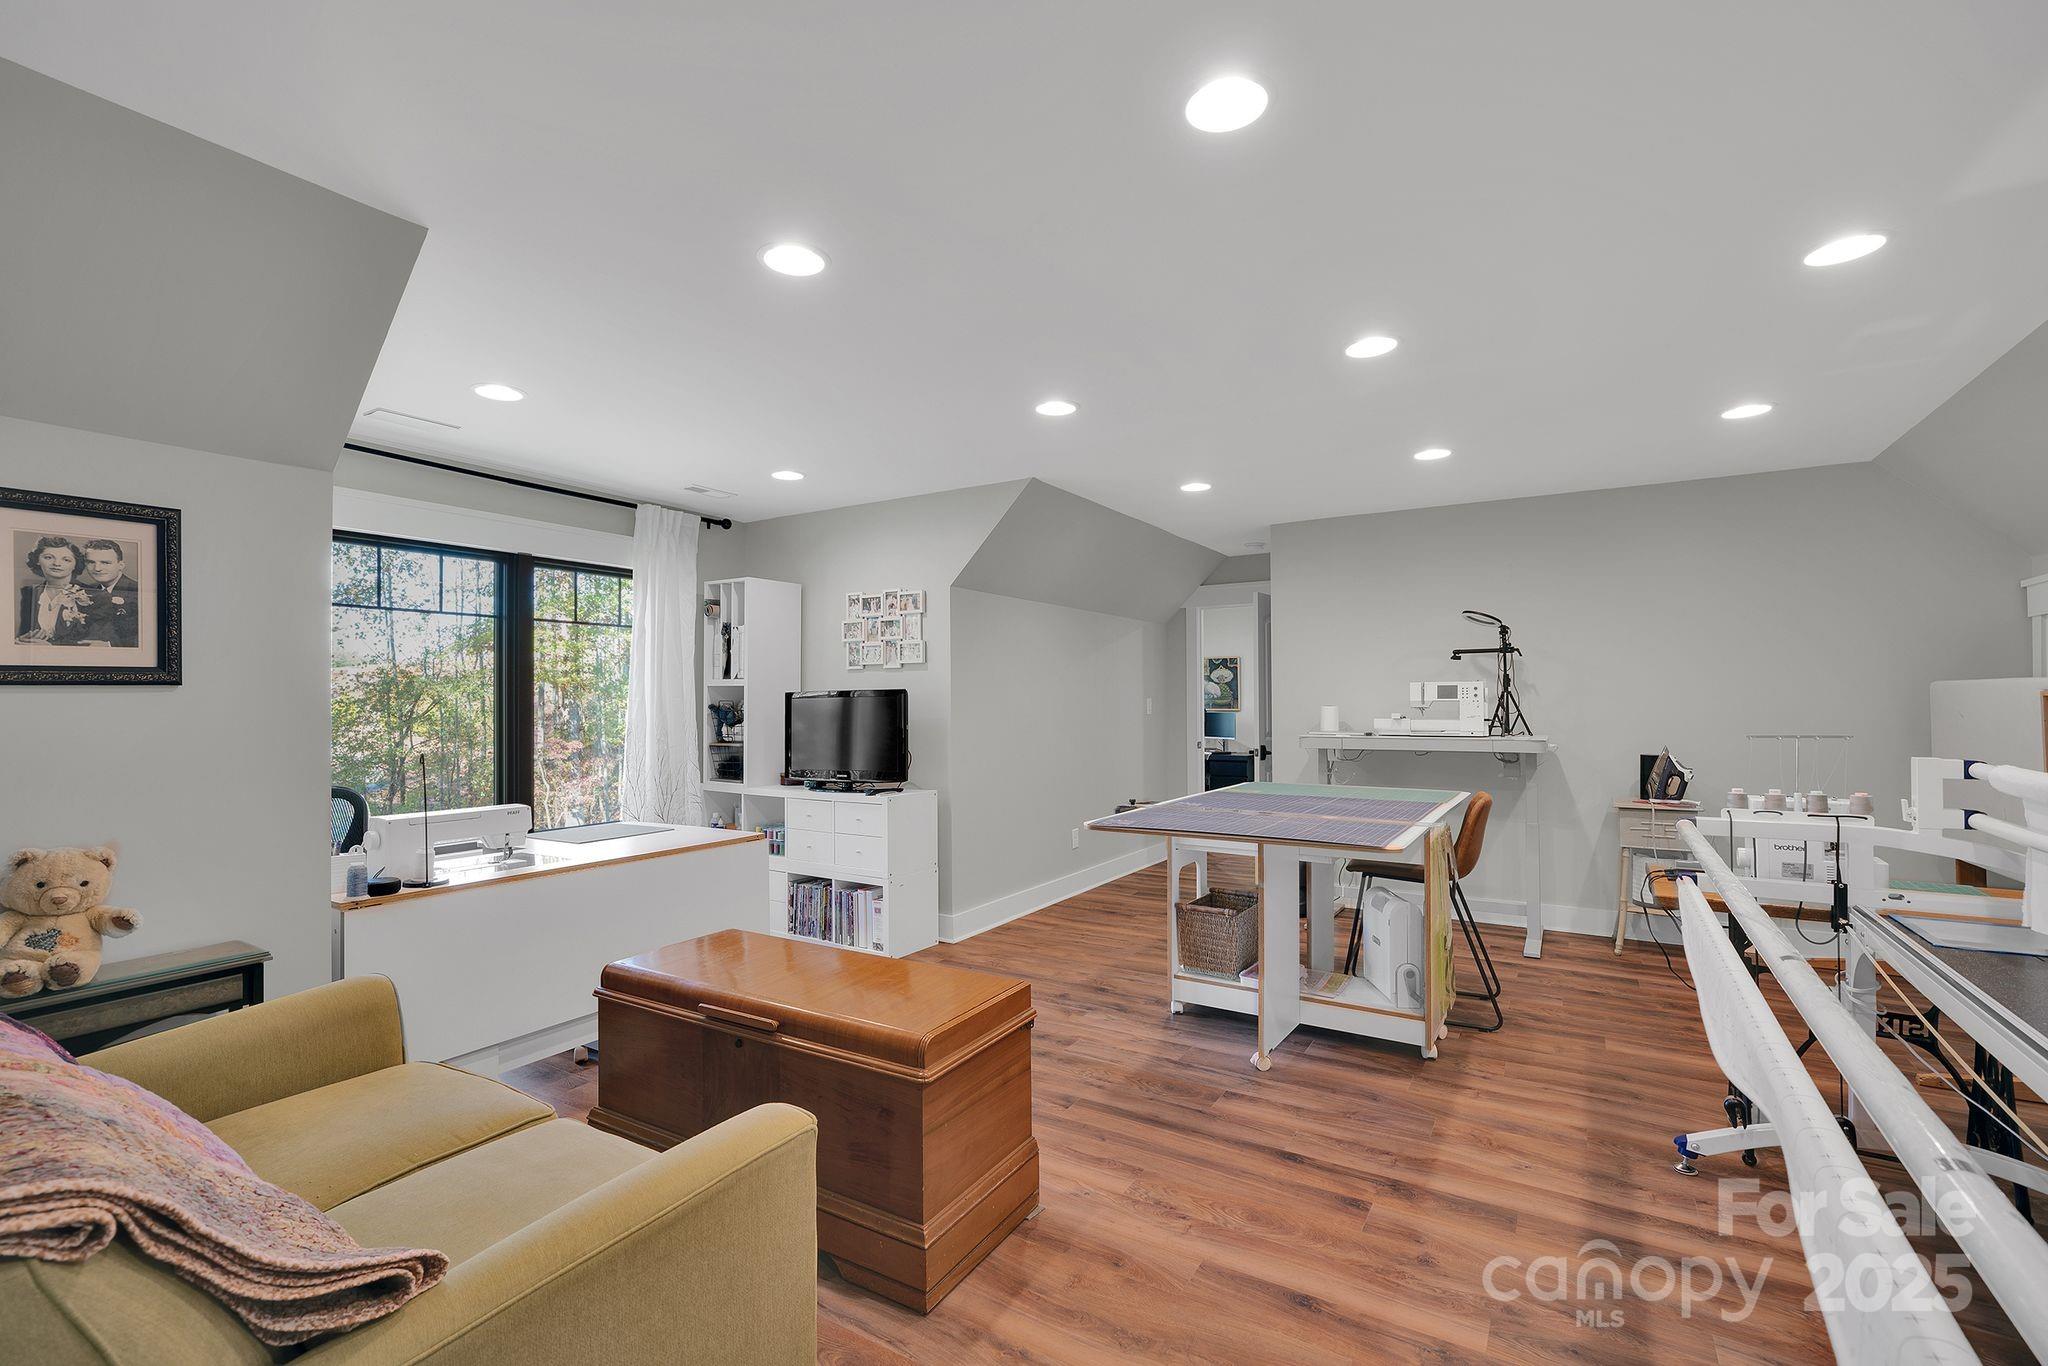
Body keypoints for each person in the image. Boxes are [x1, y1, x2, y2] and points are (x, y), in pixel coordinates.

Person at [16, 536, 91, 645]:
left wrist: (50, 647)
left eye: (66, 559)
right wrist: (20, 641)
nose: (56, 563)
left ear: (75, 564)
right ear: (37, 560)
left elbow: (94, 642)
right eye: (48, 557)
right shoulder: (28, 593)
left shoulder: (93, 595)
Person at [77, 539, 140, 647]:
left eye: (105, 563)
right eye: (91, 562)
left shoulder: (138, 591)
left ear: (121, 565)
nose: (97, 568)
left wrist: (110, 645)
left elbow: (150, 635)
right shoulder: (87, 591)